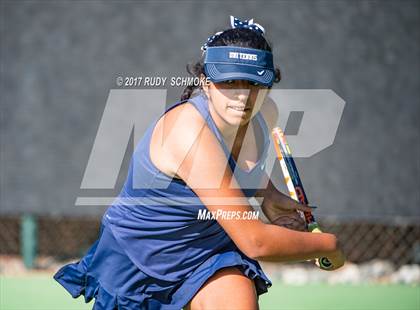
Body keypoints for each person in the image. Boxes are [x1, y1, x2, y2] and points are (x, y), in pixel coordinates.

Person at [54, 16, 345, 310]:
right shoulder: (188, 132)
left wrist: (267, 195)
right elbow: (255, 242)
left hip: (209, 255)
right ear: (206, 83)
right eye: (229, 81)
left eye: (254, 82)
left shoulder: (263, 112)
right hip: (139, 265)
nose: (243, 96)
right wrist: (329, 246)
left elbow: (235, 166)